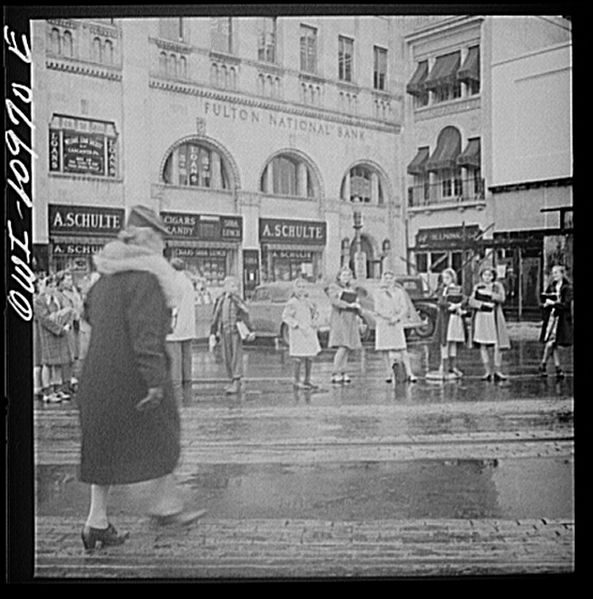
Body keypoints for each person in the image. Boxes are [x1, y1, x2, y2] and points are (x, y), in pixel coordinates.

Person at [77, 205, 206, 551]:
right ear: (148, 241)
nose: (164, 246)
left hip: (97, 377)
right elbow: (146, 337)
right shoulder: (148, 279)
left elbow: (87, 318)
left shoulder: (103, 279)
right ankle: (165, 505)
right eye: (161, 238)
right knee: (164, 434)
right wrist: (154, 382)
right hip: (133, 376)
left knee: (102, 448)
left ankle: (96, 522)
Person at [209, 275, 254, 395]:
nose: (235, 288)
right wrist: (213, 333)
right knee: (227, 357)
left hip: (235, 332)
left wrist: (250, 329)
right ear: (225, 287)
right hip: (224, 332)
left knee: (236, 357)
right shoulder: (221, 299)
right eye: (232, 285)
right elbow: (215, 316)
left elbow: (245, 314)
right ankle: (231, 379)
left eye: (236, 286)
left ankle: (236, 380)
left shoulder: (237, 300)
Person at [33, 274, 75, 403]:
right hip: (46, 335)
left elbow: (64, 314)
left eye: (53, 286)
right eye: (49, 286)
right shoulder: (39, 301)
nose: (51, 289)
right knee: (47, 364)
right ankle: (47, 391)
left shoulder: (54, 300)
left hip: (57, 336)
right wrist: (60, 329)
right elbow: (45, 319)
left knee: (57, 363)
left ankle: (57, 389)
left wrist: (65, 324)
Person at [373, 269, 417, 383]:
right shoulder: (378, 292)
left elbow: (404, 307)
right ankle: (389, 373)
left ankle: (409, 372)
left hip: (396, 322)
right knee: (385, 349)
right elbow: (377, 308)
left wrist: (397, 317)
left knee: (402, 348)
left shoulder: (399, 292)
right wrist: (388, 317)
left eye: (390, 278)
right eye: (386, 278)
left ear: (394, 279)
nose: (388, 281)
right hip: (384, 322)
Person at [469, 267, 511, 381]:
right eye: (485, 275)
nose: (487, 277)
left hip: (494, 317)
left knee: (497, 344)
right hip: (481, 316)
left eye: (490, 275)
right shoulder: (477, 287)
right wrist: (482, 304)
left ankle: (498, 370)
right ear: (481, 276)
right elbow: (471, 301)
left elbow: (502, 298)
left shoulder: (497, 286)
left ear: (493, 276)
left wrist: (490, 295)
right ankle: (487, 371)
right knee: (483, 344)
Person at [166, 258, 196, 406]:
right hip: (188, 327)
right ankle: (187, 384)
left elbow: (172, 307)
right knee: (186, 359)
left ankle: (176, 388)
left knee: (175, 360)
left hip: (175, 328)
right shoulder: (188, 282)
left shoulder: (173, 284)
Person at [282, 278, 321, 390]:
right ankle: (296, 380)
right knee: (298, 356)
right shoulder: (292, 302)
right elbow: (285, 316)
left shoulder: (308, 302)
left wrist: (314, 320)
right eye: (299, 287)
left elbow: (315, 313)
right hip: (298, 332)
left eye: (304, 287)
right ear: (294, 289)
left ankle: (307, 379)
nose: (301, 289)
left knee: (309, 356)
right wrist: (295, 324)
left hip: (309, 331)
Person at [326, 267, 363, 384]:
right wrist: (348, 305)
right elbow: (335, 301)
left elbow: (355, 300)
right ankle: (335, 372)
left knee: (347, 346)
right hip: (340, 318)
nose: (346, 277)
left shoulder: (350, 288)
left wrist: (357, 305)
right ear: (339, 276)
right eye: (344, 275)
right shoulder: (333, 287)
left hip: (350, 318)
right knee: (342, 345)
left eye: (348, 275)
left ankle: (343, 371)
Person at [539, 265, 573, 379]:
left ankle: (543, 364)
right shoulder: (551, 287)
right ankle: (558, 368)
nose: (554, 275)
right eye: (553, 273)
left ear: (562, 274)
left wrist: (553, 303)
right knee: (552, 344)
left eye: (556, 273)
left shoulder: (567, 288)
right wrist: (545, 304)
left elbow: (566, 305)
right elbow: (545, 299)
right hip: (551, 318)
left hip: (561, 319)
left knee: (551, 343)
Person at [433, 268, 467, 377]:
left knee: (453, 342)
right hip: (445, 318)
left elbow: (464, 298)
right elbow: (441, 301)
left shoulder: (458, 289)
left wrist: (459, 305)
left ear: (453, 278)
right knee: (444, 341)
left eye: (447, 277)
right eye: (444, 278)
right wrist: (449, 305)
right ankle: (444, 366)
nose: (445, 280)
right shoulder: (442, 289)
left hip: (455, 317)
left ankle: (453, 366)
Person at [57, 270, 84, 390]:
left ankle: (73, 378)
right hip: (67, 326)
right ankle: (66, 381)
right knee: (68, 353)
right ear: (61, 282)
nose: (70, 282)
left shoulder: (73, 293)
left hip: (76, 325)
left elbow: (79, 307)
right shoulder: (60, 295)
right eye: (67, 280)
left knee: (75, 353)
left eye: (70, 279)